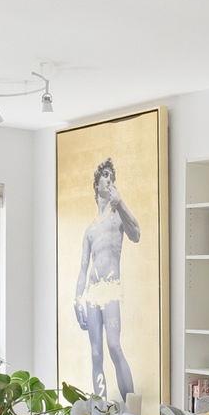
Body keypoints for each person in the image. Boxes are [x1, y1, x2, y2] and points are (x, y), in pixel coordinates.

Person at [74, 157, 140, 400]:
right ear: (96, 183)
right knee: (95, 353)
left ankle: (132, 409)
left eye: (111, 176)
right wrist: (76, 299)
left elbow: (136, 233)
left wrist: (120, 203)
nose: (109, 179)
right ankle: (99, 408)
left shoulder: (117, 215)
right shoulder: (90, 229)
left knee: (114, 346)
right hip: (91, 291)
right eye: (104, 175)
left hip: (110, 288)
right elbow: (83, 268)